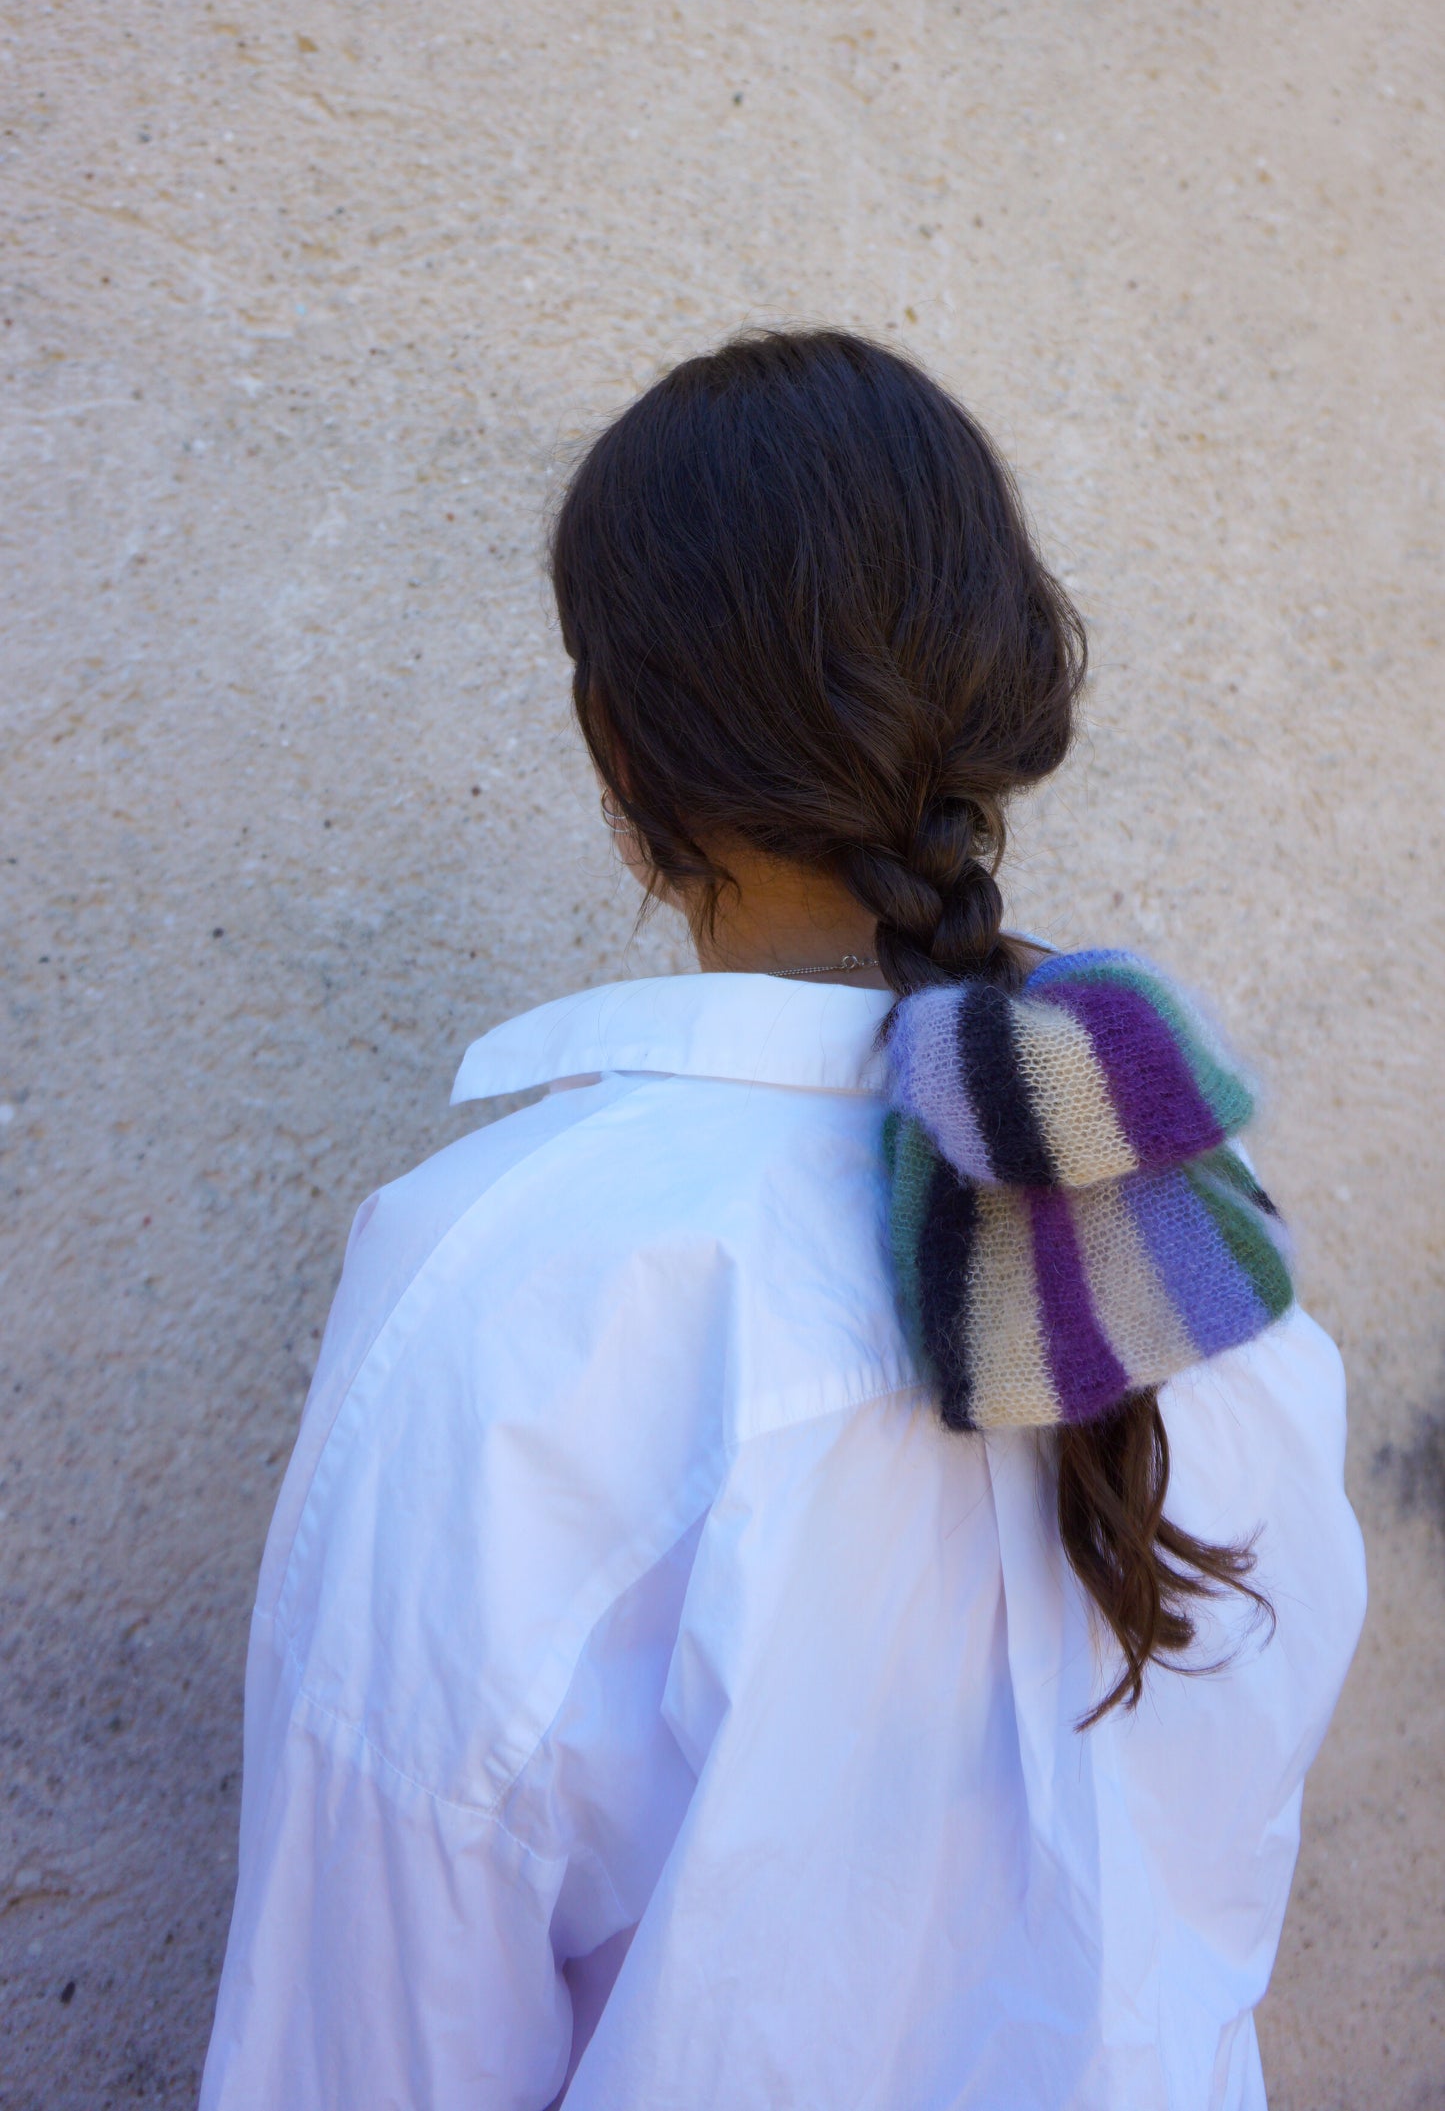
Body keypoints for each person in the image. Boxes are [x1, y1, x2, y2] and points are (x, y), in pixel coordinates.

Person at [200, 330, 1365, 2109]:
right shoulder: (1216, 1250)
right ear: (1013, 689)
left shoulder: (525, 1284)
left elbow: (366, 2028)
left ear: (620, 752)